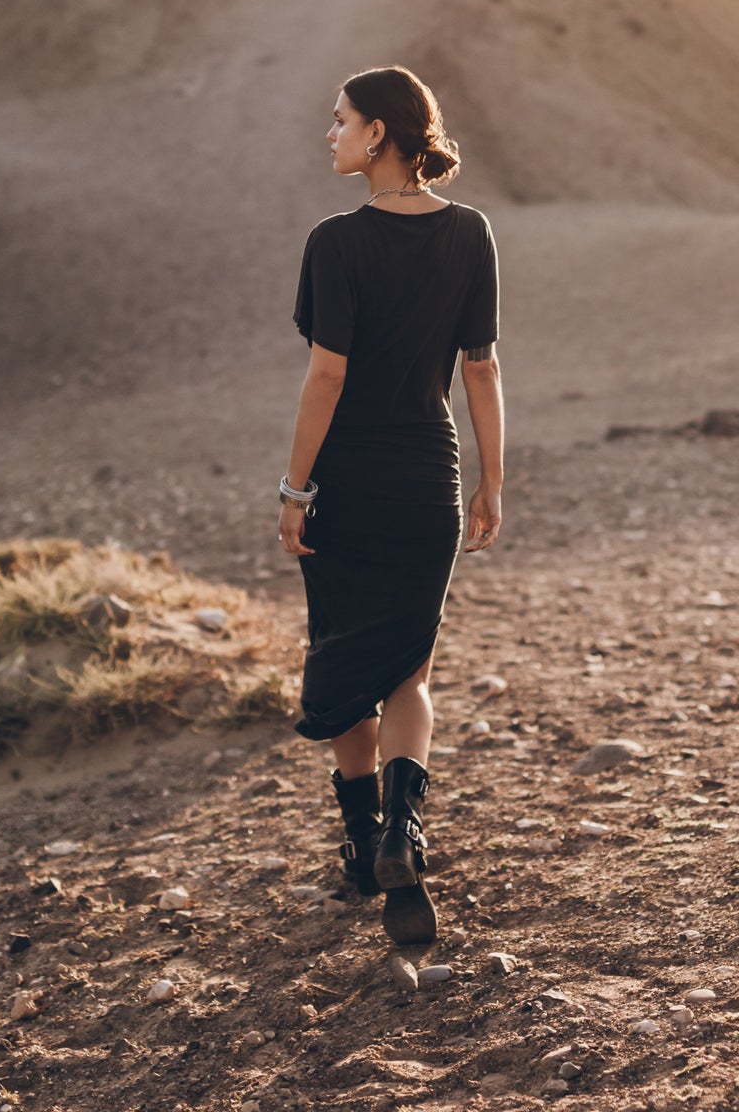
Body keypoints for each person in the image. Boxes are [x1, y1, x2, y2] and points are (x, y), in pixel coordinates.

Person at [278, 64, 504, 946]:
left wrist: (295, 491)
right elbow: (480, 370)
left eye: (339, 120)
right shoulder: (472, 233)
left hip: (349, 485)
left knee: (345, 661)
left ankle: (363, 840)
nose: (328, 134)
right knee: (407, 671)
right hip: (426, 480)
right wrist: (493, 482)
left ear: (379, 134)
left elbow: (326, 376)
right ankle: (406, 831)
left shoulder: (335, 243)